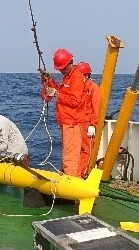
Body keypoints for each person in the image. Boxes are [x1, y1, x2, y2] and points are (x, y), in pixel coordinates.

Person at [41, 48, 101, 178]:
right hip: (67, 122)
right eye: (60, 69)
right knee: (70, 154)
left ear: (70, 63)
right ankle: (74, 176)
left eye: (63, 68)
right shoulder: (67, 78)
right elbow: (62, 93)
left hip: (74, 123)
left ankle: (73, 179)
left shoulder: (77, 78)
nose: (61, 71)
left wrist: (93, 124)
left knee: (72, 155)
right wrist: (50, 80)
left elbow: (74, 101)